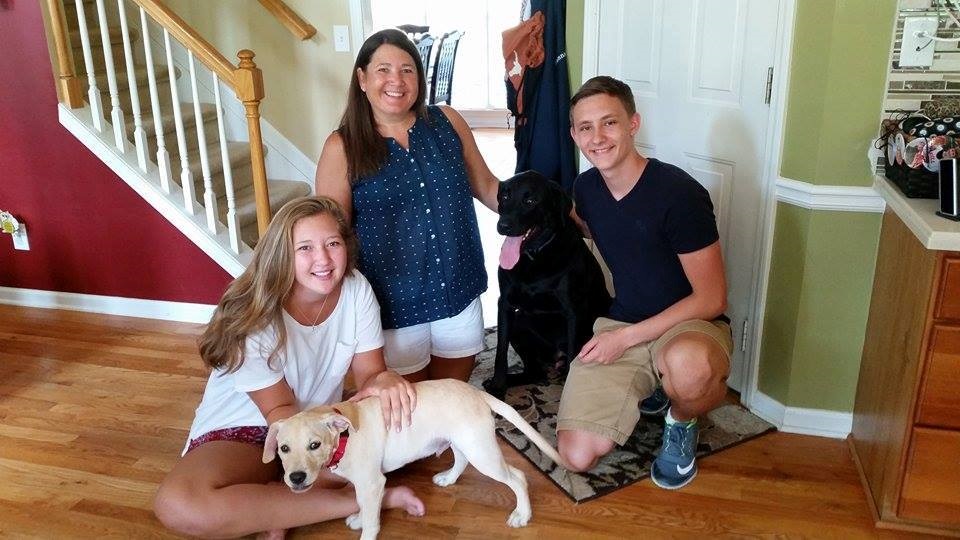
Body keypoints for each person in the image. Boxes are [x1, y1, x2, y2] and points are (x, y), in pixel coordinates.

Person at [153, 196, 424, 538]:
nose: (323, 259)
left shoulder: (356, 289)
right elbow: (279, 413)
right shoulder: (254, 316)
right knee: (178, 504)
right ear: (282, 254)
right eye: (305, 248)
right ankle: (362, 499)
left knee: (406, 427)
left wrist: (384, 379)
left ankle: (276, 507)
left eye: (332, 243)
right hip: (249, 428)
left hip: (315, 425)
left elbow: (369, 375)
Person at [557, 76, 733, 490]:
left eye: (609, 123)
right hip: (626, 321)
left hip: (690, 325)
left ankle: (681, 418)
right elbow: (591, 226)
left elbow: (712, 298)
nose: (598, 138)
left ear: (633, 124)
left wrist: (625, 338)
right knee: (576, 456)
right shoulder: (586, 189)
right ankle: (652, 383)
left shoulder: (680, 194)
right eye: (585, 127)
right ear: (574, 135)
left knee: (689, 367)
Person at [315, 28, 500, 384]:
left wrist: (554, 209)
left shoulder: (447, 122)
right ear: (362, 79)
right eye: (383, 70)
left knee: (451, 399)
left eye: (407, 70)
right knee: (408, 410)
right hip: (391, 305)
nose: (396, 81)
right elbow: (331, 235)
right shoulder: (342, 147)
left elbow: (489, 187)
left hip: (457, 289)